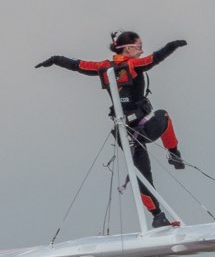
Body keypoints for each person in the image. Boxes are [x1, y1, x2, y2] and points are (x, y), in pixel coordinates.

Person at [36, 31, 188, 227]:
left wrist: (56, 59)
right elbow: (155, 58)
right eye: (139, 46)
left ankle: (157, 216)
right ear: (128, 48)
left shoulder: (103, 67)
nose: (141, 51)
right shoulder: (133, 65)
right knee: (164, 116)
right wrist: (173, 45)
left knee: (141, 174)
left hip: (125, 133)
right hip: (142, 128)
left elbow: (77, 65)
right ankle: (174, 154)